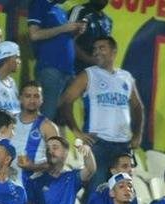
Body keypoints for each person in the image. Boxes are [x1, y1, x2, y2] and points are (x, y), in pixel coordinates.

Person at [57, 36, 143, 188]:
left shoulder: (126, 77)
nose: (96, 52)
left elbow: (138, 107)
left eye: (101, 48)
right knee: (96, 189)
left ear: (113, 51)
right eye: (95, 49)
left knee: (122, 189)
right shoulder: (89, 74)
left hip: (123, 144)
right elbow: (65, 101)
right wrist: (77, 131)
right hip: (98, 143)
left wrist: (137, 135)